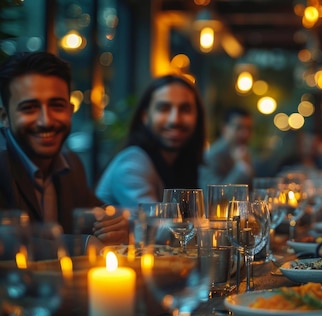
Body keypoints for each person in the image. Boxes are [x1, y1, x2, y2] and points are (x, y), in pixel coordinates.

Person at [0, 51, 126, 246]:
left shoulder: (71, 165)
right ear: (4, 117)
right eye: (29, 108)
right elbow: (6, 243)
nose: (46, 121)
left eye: (57, 106)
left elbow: (102, 216)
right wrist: (81, 246)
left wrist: (116, 226)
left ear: (70, 110)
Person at [96, 75, 206, 207]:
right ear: (145, 116)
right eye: (164, 109)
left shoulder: (185, 163)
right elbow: (154, 224)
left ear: (197, 117)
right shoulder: (132, 163)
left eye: (185, 109)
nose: (175, 120)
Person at [200, 106, 254, 187]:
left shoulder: (245, 152)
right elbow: (213, 197)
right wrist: (241, 167)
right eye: (239, 127)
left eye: (248, 129)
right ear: (224, 128)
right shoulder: (210, 157)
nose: (245, 134)